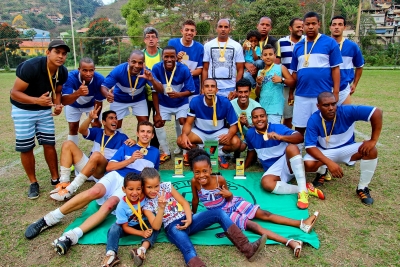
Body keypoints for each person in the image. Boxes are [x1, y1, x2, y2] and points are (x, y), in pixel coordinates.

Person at [24, 121, 159, 254]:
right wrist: (130, 160)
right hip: (115, 176)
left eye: (148, 132)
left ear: (152, 135)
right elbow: (109, 167)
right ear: (137, 133)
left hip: (130, 185)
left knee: (109, 204)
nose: (145, 135)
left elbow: (152, 176)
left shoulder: (155, 152)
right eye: (142, 131)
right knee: (95, 191)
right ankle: (49, 219)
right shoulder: (128, 146)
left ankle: (73, 236)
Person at [188, 149, 320, 258]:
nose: (201, 175)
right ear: (193, 172)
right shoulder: (194, 182)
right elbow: (195, 200)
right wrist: (193, 214)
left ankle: (302, 224)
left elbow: (228, 197)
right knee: (254, 227)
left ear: (210, 169)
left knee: (265, 214)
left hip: (233, 203)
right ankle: (291, 242)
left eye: (204, 171)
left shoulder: (219, 179)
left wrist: (230, 195)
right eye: (197, 172)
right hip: (224, 214)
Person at [141, 167, 267, 266]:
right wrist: (161, 208)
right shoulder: (147, 204)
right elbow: (156, 226)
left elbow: (184, 202)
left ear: (160, 182)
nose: (154, 190)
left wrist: (190, 218)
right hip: (173, 227)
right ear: (143, 187)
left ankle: (248, 249)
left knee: (219, 213)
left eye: (156, 186)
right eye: (149, 187)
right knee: (189, 249)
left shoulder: (166, 186)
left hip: (188, 219)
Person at [10, 39, 69, 199]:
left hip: (43, 109)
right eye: (57, 52)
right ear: (48, 52)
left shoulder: (62, 71)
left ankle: (55, 178)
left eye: (64, 54)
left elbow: (57, 92)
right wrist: (36, 100)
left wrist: (57, 106)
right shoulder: (32, 67)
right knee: (26, 146)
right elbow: (14, 92)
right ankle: (33, 182)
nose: (61, 56)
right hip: (23, 109)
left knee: (49, 143)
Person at [304, 92, 382, 206]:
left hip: (347, 149)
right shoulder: (314, 119)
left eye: (333, 104)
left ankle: (362, 187)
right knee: (307, 164)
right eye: (326, 105)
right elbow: (310, 147)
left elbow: (376, 112)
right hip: (325, 153)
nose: (331, 108)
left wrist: (373, 140)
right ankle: (322, 171)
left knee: (372, 150)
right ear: (318, 106)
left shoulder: (347, 111)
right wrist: (329, 163)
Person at [244, 107, 325, 208]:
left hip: (288, 163)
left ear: (267, 117)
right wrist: (242, 168)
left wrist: (280, 137)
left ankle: (303, 193)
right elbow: (251, 152)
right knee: (266, 183)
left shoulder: (277, 128)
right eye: (255, 117)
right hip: (274, 170)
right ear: (252, 119)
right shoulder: (250, 133)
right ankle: (304, 188)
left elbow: (299, 137)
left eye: (262, 116)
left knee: (291, 147)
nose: (259, 119)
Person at [49, 108, 135, 201]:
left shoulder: (122, 137)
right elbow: (81, 130)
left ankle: (70, 190)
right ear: (104, 122)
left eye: (115, 118)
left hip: (103, 172)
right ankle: (64, 183)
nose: (115, 120)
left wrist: (134, 141)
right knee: (67, 144)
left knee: (96, 155)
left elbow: (132, 150)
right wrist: (90, 118)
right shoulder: (98, 132)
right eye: (111, 118)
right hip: (89, 168)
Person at [290, 11, 342, 137]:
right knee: (299, 127)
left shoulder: (329, 42)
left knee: (322, 127)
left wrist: (335, 92)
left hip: (322, 94)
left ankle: (320, 154)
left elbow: (335, 69)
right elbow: (295, 73)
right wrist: (291, 92)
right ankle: (297, 153)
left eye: (314, 23)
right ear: (303, 26)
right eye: (307, 24)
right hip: (302, 94)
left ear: (319, 24)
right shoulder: (298, 46)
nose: (311, 26)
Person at [177, 78, 241, 169]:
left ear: (217, 90)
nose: (210, 89)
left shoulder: (225, 102)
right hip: (200, 132)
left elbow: (234, 125)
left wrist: (229, 135)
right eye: (207, 86)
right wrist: (184, 134)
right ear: (202, 90)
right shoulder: (195, 101)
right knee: (180, 141)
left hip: (219, 132)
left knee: (236, 142)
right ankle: (201, 153)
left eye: (212, 86)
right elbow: (188, 123)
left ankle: (219, 154)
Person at [151, 46, 196, 164]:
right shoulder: (156, 68)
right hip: (164, 103)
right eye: (166, 56)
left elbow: (191, 90)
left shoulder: (183, 69)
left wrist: (179, 95)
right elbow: (154, 92)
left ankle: (186, 153)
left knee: (183, 121)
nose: (169, 59)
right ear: (162, 57)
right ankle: (166, 152)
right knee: (158, 122)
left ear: (177, 57)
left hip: (180, 102)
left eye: (172, 56)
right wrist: (157, 113)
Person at [102, 172, 157, 267]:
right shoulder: (121, 206)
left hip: (144, 223)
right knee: (114, 228)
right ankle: (111, 254)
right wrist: (141, 233)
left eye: (138, 189)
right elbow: (125, 227)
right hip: (128, 226)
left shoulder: (144, 195)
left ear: (142, 188)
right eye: (131, 189)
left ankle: (141, 251)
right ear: (124, 189)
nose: (135, 193)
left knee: (155, 225)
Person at [100, 50, 163, 131]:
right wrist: (107, 94)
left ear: (143, 63)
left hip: (138, 99)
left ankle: (141, 143)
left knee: (144, 125)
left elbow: (161, 89)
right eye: (133, 62)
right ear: (128, 61)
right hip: (119, 99)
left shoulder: (146, 72)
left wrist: (152, 80)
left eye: (140, 63)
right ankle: (119, 142)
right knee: (114, 126)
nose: (136, 65)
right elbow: (103, 86)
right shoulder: (118, 70)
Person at [168, 19, 205, 155]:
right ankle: (181, 143)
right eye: (187, 30)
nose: (189, 32)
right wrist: (176, 60)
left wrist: (186, 74)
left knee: (193, 117)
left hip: (192, 88)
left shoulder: (200, 47)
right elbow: (168, 63)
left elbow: (200, 69)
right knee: (180, 118)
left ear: (195, 33)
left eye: (192, 30)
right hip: (177, 87)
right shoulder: (173, 43)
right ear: (182, 31)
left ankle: (194, 143)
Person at [61, 57, 105, 145]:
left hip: (91, 105)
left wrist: (95, 119)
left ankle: (98, 149)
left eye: (91, 70)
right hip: (73, 105)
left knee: (97, 126)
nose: (88, 74)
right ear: (79, 70)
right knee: (73, 127)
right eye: (84, 70)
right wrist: (78, 93)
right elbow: (64, 101)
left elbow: (99, 101)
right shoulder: (70, 78)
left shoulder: (99, 79)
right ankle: (72, 151)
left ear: (94, 70)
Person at [202, 19, 245, 98]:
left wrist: (236, 89)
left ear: (229, 29)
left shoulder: (237, 46)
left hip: (230, 88)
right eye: (220, 26)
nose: (223, 29)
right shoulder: (208, 45)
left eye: (226, 27)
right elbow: (205, 69)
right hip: (212, 88)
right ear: (216, 29)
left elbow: (240, 69)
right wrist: (203, 88)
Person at [255, 44, 295, 124]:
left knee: (273, 131)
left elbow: (293, 82)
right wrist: (259, 84)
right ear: (262, 57)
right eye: (265, 55)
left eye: (270, 54)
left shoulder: (280, 68)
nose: (268, 57)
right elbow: (257, 94)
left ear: (275, 56)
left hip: (275, 108)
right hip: (263, 107)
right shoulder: (260, 72)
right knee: (264, 132)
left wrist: (282, 80)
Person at [330, 15, 364, 105]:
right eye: (334, 24)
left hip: (344, 88)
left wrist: (354, 84)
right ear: (330, 27)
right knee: (325, 118)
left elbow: (360, 66)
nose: (336, 27)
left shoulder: (352, 46)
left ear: (344, 27)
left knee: (345, 117)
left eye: (340, 24)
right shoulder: (323, 45)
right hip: (326, 88)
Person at [277, 18, 304, 128]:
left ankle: (300, 139)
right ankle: (286, 139)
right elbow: (278, 63)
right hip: (286, 85)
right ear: (290, 28)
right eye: (298, 27)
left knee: (302, 114)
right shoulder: (281, 42)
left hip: (303, 84)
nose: (301, 29)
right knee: (288, 115)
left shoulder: (307, 41)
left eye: (302, 26)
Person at [230, 78, 261, 157]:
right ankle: (234, 154)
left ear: (250, 92)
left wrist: (247, 124)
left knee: (255, 135)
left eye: (246, 92)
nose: (243, 95)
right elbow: (226, 125)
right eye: (240, 92)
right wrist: (239, 124)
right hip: (235, 133)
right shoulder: (230, 105)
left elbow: (260, 127)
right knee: (239, 145)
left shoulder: (256, 106)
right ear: (236, 92)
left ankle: (253, 155)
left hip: (250, 133)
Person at [142, 27, 161, 149]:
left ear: (157, 39)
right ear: (144, 40)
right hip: (143, 94)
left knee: (158, 120)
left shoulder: (163, 54)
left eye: (153, 36)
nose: (151, 39)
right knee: (143, 121)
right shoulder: (140, 55)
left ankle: (155, 147)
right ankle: (143, 145)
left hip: (159, 94)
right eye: (148, 37)